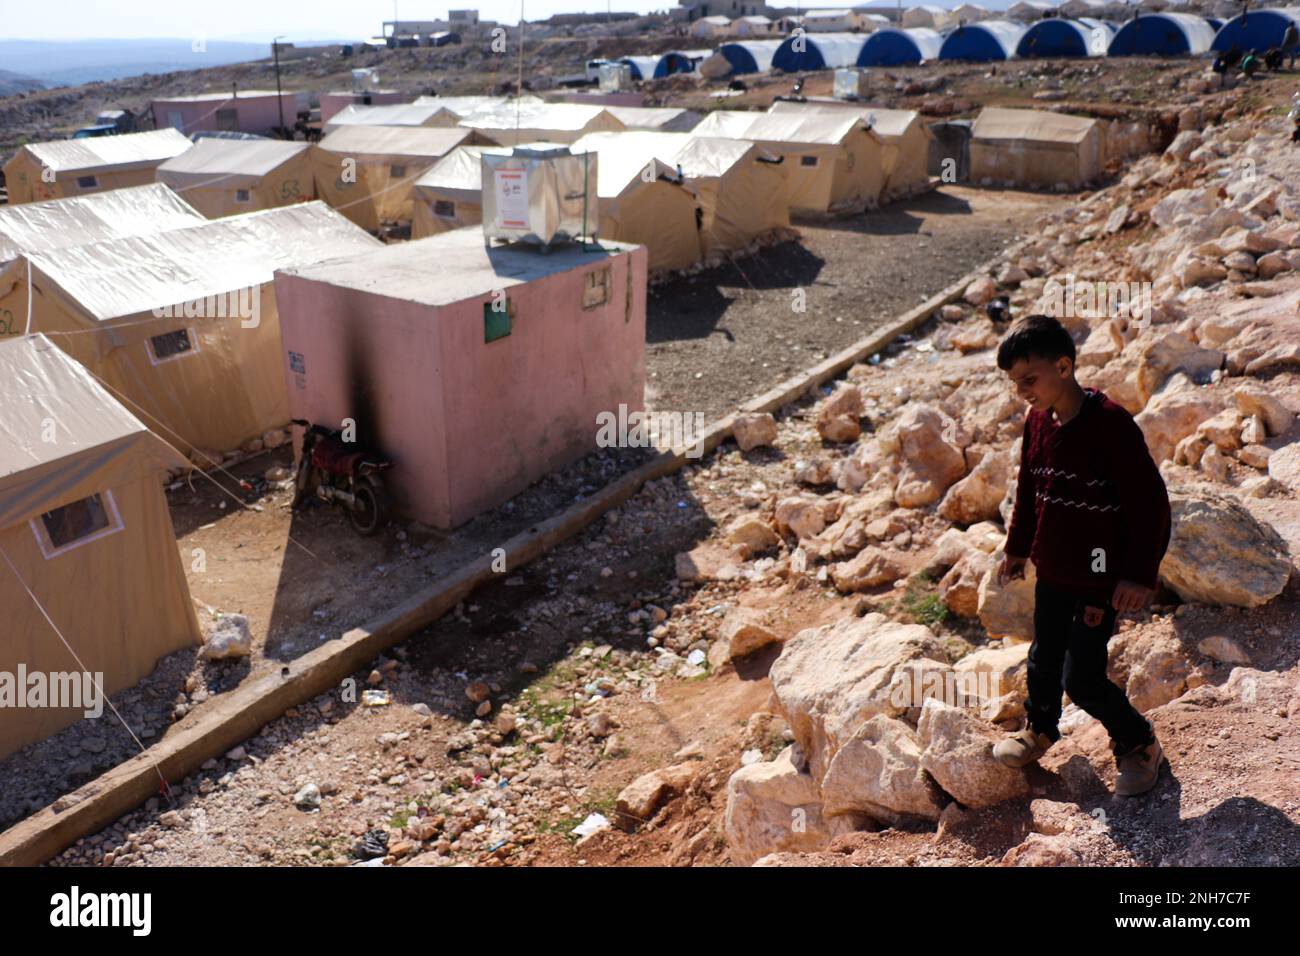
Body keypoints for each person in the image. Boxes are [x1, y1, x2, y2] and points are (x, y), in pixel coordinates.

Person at [991, 315, 1171, 797]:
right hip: (1054, 567)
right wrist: (1016, 549)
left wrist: (1137, 576)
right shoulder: (1038, 422)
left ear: (1065, 366)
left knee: (1084, 678)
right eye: (1014, 383)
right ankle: (1041, 728)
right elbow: (1030, 489)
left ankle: (1140, 744)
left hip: (1098, 576)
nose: (1022, 391)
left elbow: (1150, 503)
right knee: (1043, 657)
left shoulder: (1110, 424)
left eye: (1029, 379)